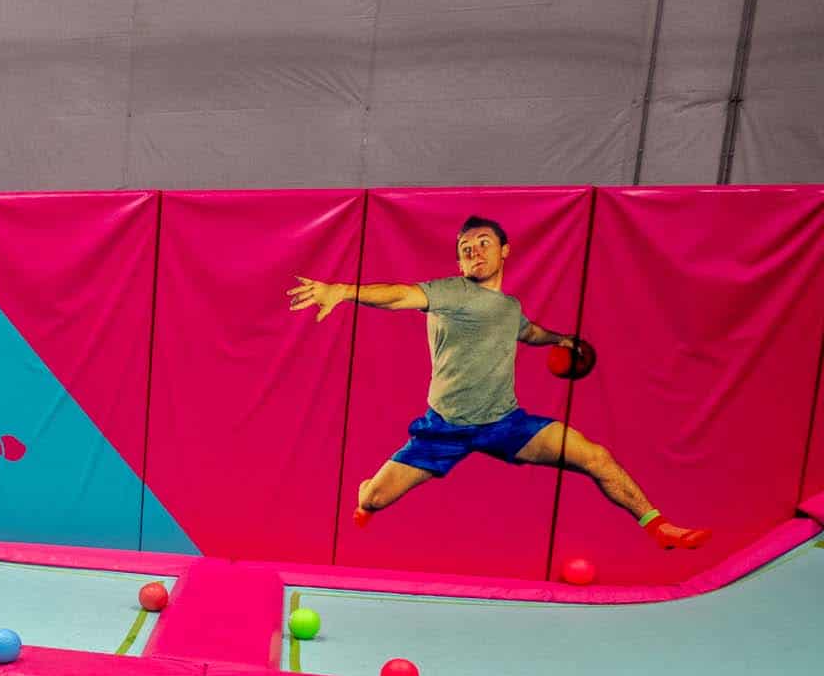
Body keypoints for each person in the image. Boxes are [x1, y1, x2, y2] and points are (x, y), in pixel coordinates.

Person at [286, 216, 708, 549]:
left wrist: (560, 338)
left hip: (505, 424)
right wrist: (342, 290)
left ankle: (658, 525)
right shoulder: (450, 293)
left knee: (595, 456)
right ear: (459, 264)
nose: (474, 251)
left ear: (505, 250)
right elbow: (399, 295)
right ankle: (366, 494)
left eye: (483, 242)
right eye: (465, 249)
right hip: (444, 429)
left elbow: (526, 332)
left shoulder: (509, 306)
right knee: (371, 501)